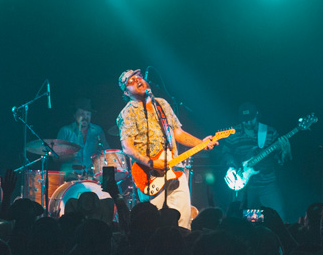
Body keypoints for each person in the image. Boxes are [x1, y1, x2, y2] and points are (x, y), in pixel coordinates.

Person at [116, 69, 217, 230]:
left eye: (139, 77)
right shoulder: (128, 113)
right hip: (150, 175)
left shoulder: (162, 104)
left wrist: (201, 143)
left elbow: (177, 133)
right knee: (156, 224)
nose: (137, 80)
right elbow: (127, 148)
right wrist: (152, 163)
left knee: (183, 221)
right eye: (131, 81)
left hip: (175, 169)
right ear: (126, 93)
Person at [220, 102, 290, 216]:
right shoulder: (233, 134)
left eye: (251, 119)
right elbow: (225, 153)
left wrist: (286, 151)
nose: (248, 122)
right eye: (245, 120)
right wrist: (232, 165)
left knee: (277, 217)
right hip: (245, 187)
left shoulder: (270, 132)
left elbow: (281, 160)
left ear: (257, 114)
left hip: (267, 184)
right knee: (247, 219)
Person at [55, 98, 109, 179]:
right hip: (69, 176)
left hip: (91, 175)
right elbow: (55, 158)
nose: (85, 117)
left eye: (88, 114)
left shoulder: (97, 130)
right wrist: (71, 156)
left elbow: (106, 151)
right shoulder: (65, 131)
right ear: (74, 115)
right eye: (82, 114)